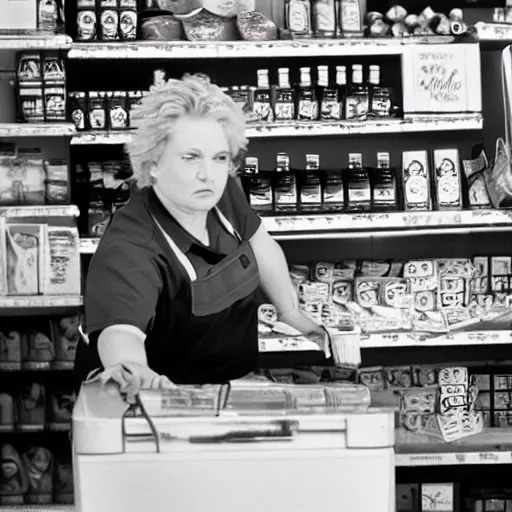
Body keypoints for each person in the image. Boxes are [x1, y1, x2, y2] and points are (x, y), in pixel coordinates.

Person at [74, 74, 328, 403]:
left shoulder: (216, 195)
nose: (208, 173)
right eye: (190, 157)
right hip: (149, 409)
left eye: (219, 157)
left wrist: (291, 313)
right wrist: (135, 370)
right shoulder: (130, 246)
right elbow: (120, 333)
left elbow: (260, 243)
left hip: (221, 393)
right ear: (153, 165)